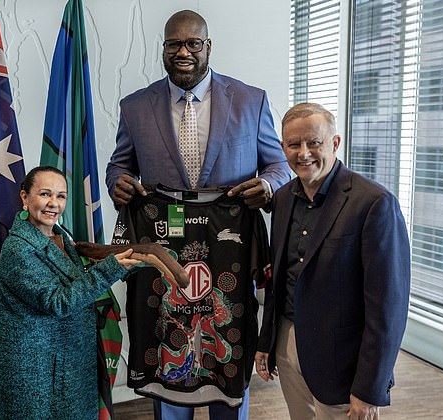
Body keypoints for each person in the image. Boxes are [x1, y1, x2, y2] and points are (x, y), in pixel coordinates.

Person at [105, 9, 290, 420]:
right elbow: (120, 165)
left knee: (230, 339)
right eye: (174, 44)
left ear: (209, 47)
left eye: (193, 43)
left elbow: (279, 165)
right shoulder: (135, 106)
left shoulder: (250, 99)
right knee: (164, 334)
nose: (183, 51)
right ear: (164, 49)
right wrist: (116, 181)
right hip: (163, 240)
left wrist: (269, 185)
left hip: (230, 243)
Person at [255, 103, 411, 420]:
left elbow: (388, 309)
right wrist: (267, 342)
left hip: (344, 360)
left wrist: (370, 388)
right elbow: (278, 278)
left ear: (335, 143)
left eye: (314, 142)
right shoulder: (282, 198)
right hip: (288, 345)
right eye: (293, 144)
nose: (303, 153)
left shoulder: (374, 203)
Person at [0, 166, 139, 420]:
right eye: (45, 194)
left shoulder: (62, 235)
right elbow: (58, 301)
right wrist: (109, 270)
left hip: (68, 363)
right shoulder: (17, 249)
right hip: (35, 370)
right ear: (25, 197)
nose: (53, 204)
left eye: (61, 196)